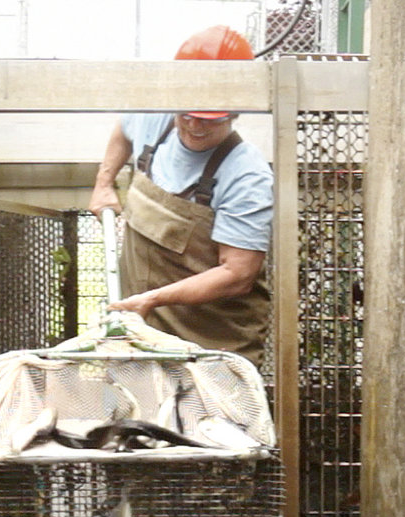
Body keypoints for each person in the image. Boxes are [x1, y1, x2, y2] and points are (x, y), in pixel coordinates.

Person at [89, 25, 273, 367]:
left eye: (210, 120)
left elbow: (237, 273)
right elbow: (123, 130)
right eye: (186, 114)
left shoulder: (246, 175)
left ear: (236, 111)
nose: (194, 127)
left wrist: (154, 299)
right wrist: (104, 183)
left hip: (212, 345)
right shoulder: (155, 116)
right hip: (142, 334)